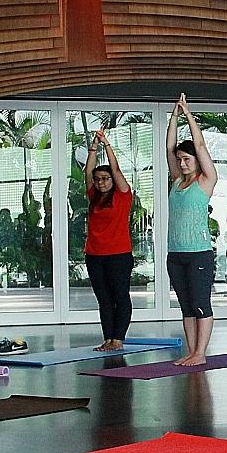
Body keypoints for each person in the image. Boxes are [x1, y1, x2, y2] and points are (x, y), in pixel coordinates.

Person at [166, 94, 218, 366]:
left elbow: (199, 144)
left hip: (199, 254)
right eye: (180, 160)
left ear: (196, 160)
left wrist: (188, 115)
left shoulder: (206, 181)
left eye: (187, 159)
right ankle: (191, 351)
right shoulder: (176, 182)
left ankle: (201, 353)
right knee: (186, 307)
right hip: (175, 254)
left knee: (200, 305)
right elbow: (168, 148)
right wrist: (173, 117)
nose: (182, 163)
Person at [84, 128, 136, 351]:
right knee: (104, 299)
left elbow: (115, 169)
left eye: (105, 179)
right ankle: (108, 339)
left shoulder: (122, 194)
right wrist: (93, 146)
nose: (101, 182)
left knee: (120, 296)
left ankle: (118, 339)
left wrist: (106, 144)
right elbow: (88, 171)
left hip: (118, 255)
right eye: (98, 180)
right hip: (94, 255)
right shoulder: (94, 196)